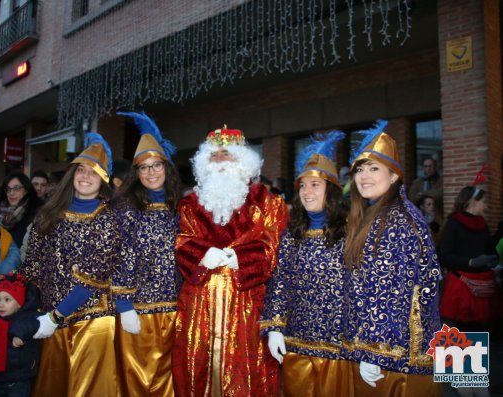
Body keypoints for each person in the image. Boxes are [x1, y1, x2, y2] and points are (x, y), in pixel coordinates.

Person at [173, 126, 289, 397]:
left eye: (227, 155)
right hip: (199, 306)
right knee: (196, 371)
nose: (221, 162)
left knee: (246, 375)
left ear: (242, 161)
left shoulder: (267, 203)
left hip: (247, 306)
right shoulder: (189, 204)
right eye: (214, 156)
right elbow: (182, 241)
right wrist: (202, 253)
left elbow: (274, 245)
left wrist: (240, 257)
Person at [342, 120, 441, 397]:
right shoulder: (378, 215)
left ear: (394, 176)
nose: (364, 176)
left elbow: (392, 290)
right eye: (360, 169)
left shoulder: (398, 219)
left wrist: (375, 351)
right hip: (391, 353)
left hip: (398, 359)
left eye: (374, 168)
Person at [19, 132, 122, 397]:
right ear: (72, 174)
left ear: (103, 181)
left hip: (92, 320)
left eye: (94, 173)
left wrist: (55, 317)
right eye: (81, 170)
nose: (86, 177)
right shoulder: (49, 213)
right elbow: (33, 267)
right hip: (52, 319)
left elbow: (94, 277)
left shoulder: (109, 219)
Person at [261, 131, 351, 397]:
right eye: (302, 185)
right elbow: (280, 281)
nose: (307, 192)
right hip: (297, 344)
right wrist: (275, 327)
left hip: (338, 348)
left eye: (315, 185)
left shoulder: (351, 232)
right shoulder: (292, 233)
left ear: (331, 191)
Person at [112, 111, 182, 396]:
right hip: (137, 311)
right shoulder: (125, 210)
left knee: (170, 380)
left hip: (175, 311)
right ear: (136, 174)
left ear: (167, 168)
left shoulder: (182, 208)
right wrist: (124, 305)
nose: (151, 172)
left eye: (157, 165)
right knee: (137, 379)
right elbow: (119, 258)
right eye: (144, 167)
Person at [439, 186, 499, 327]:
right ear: (472, 201)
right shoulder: (453, 224)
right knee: (464, 336)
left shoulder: (483, 225)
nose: (486, 205)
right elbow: (444, 256)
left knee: (481, 336)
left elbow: (491, 252)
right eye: (483, 201)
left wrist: (492, 260)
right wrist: (471, 262)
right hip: (462, 287)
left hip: (483, 288)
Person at [0, 172, 42, 247]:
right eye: (8, 189)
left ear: (26, 190)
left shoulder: (37, 215)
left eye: (17, 188)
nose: (11, 193)